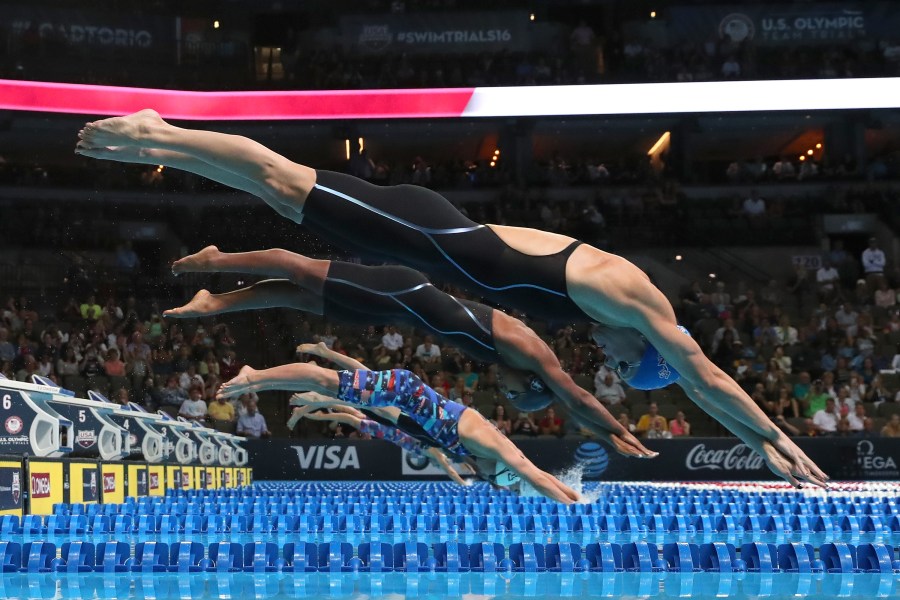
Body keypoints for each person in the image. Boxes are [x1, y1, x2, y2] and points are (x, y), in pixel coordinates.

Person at [76, 110, 827, 489]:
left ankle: (164, 145)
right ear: (650, 353)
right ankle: (161, 133)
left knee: (283, 201)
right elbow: (703, 376)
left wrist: (760, 437)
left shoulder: (622, 312)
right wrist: (768, 436)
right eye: (626, 363)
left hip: (420, 247)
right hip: (427, 232)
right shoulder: (631, 299)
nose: (607, 355)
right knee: (284, 183)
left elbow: (694, 376)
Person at [163, 248, 650, 456]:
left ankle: (215, 301)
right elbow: (576, 399)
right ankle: (217, 261)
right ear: (534, 383)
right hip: (402, 293)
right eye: (518, 394)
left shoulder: (517, 359)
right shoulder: (535, 356)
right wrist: (616, 432)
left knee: (296, 293)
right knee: (299, 271)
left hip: (396, 306)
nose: (505, 388)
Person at [217, 360, 579, 503]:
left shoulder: (478, 452)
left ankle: (280, 385)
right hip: (404, 391)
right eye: (487, 476)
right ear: (493, 465)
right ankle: (255, 376)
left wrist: (572, 491)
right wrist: (576, 507)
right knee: (324, 379)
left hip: (404, 401)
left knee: (331, 389)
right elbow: (531, 472)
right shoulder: (489, 444)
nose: (479, 476)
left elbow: (534, 476)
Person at [290, 401, 471, 487]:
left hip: (386, 431)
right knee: (351, 414)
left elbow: (453, 465)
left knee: (352, 413)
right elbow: (451, 471)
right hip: (387, 429)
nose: (438, 465)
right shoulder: (435, 452)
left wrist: (468, 467)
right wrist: (463, 484)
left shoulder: (434, 449)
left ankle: (314, 408)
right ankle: (315, 407)